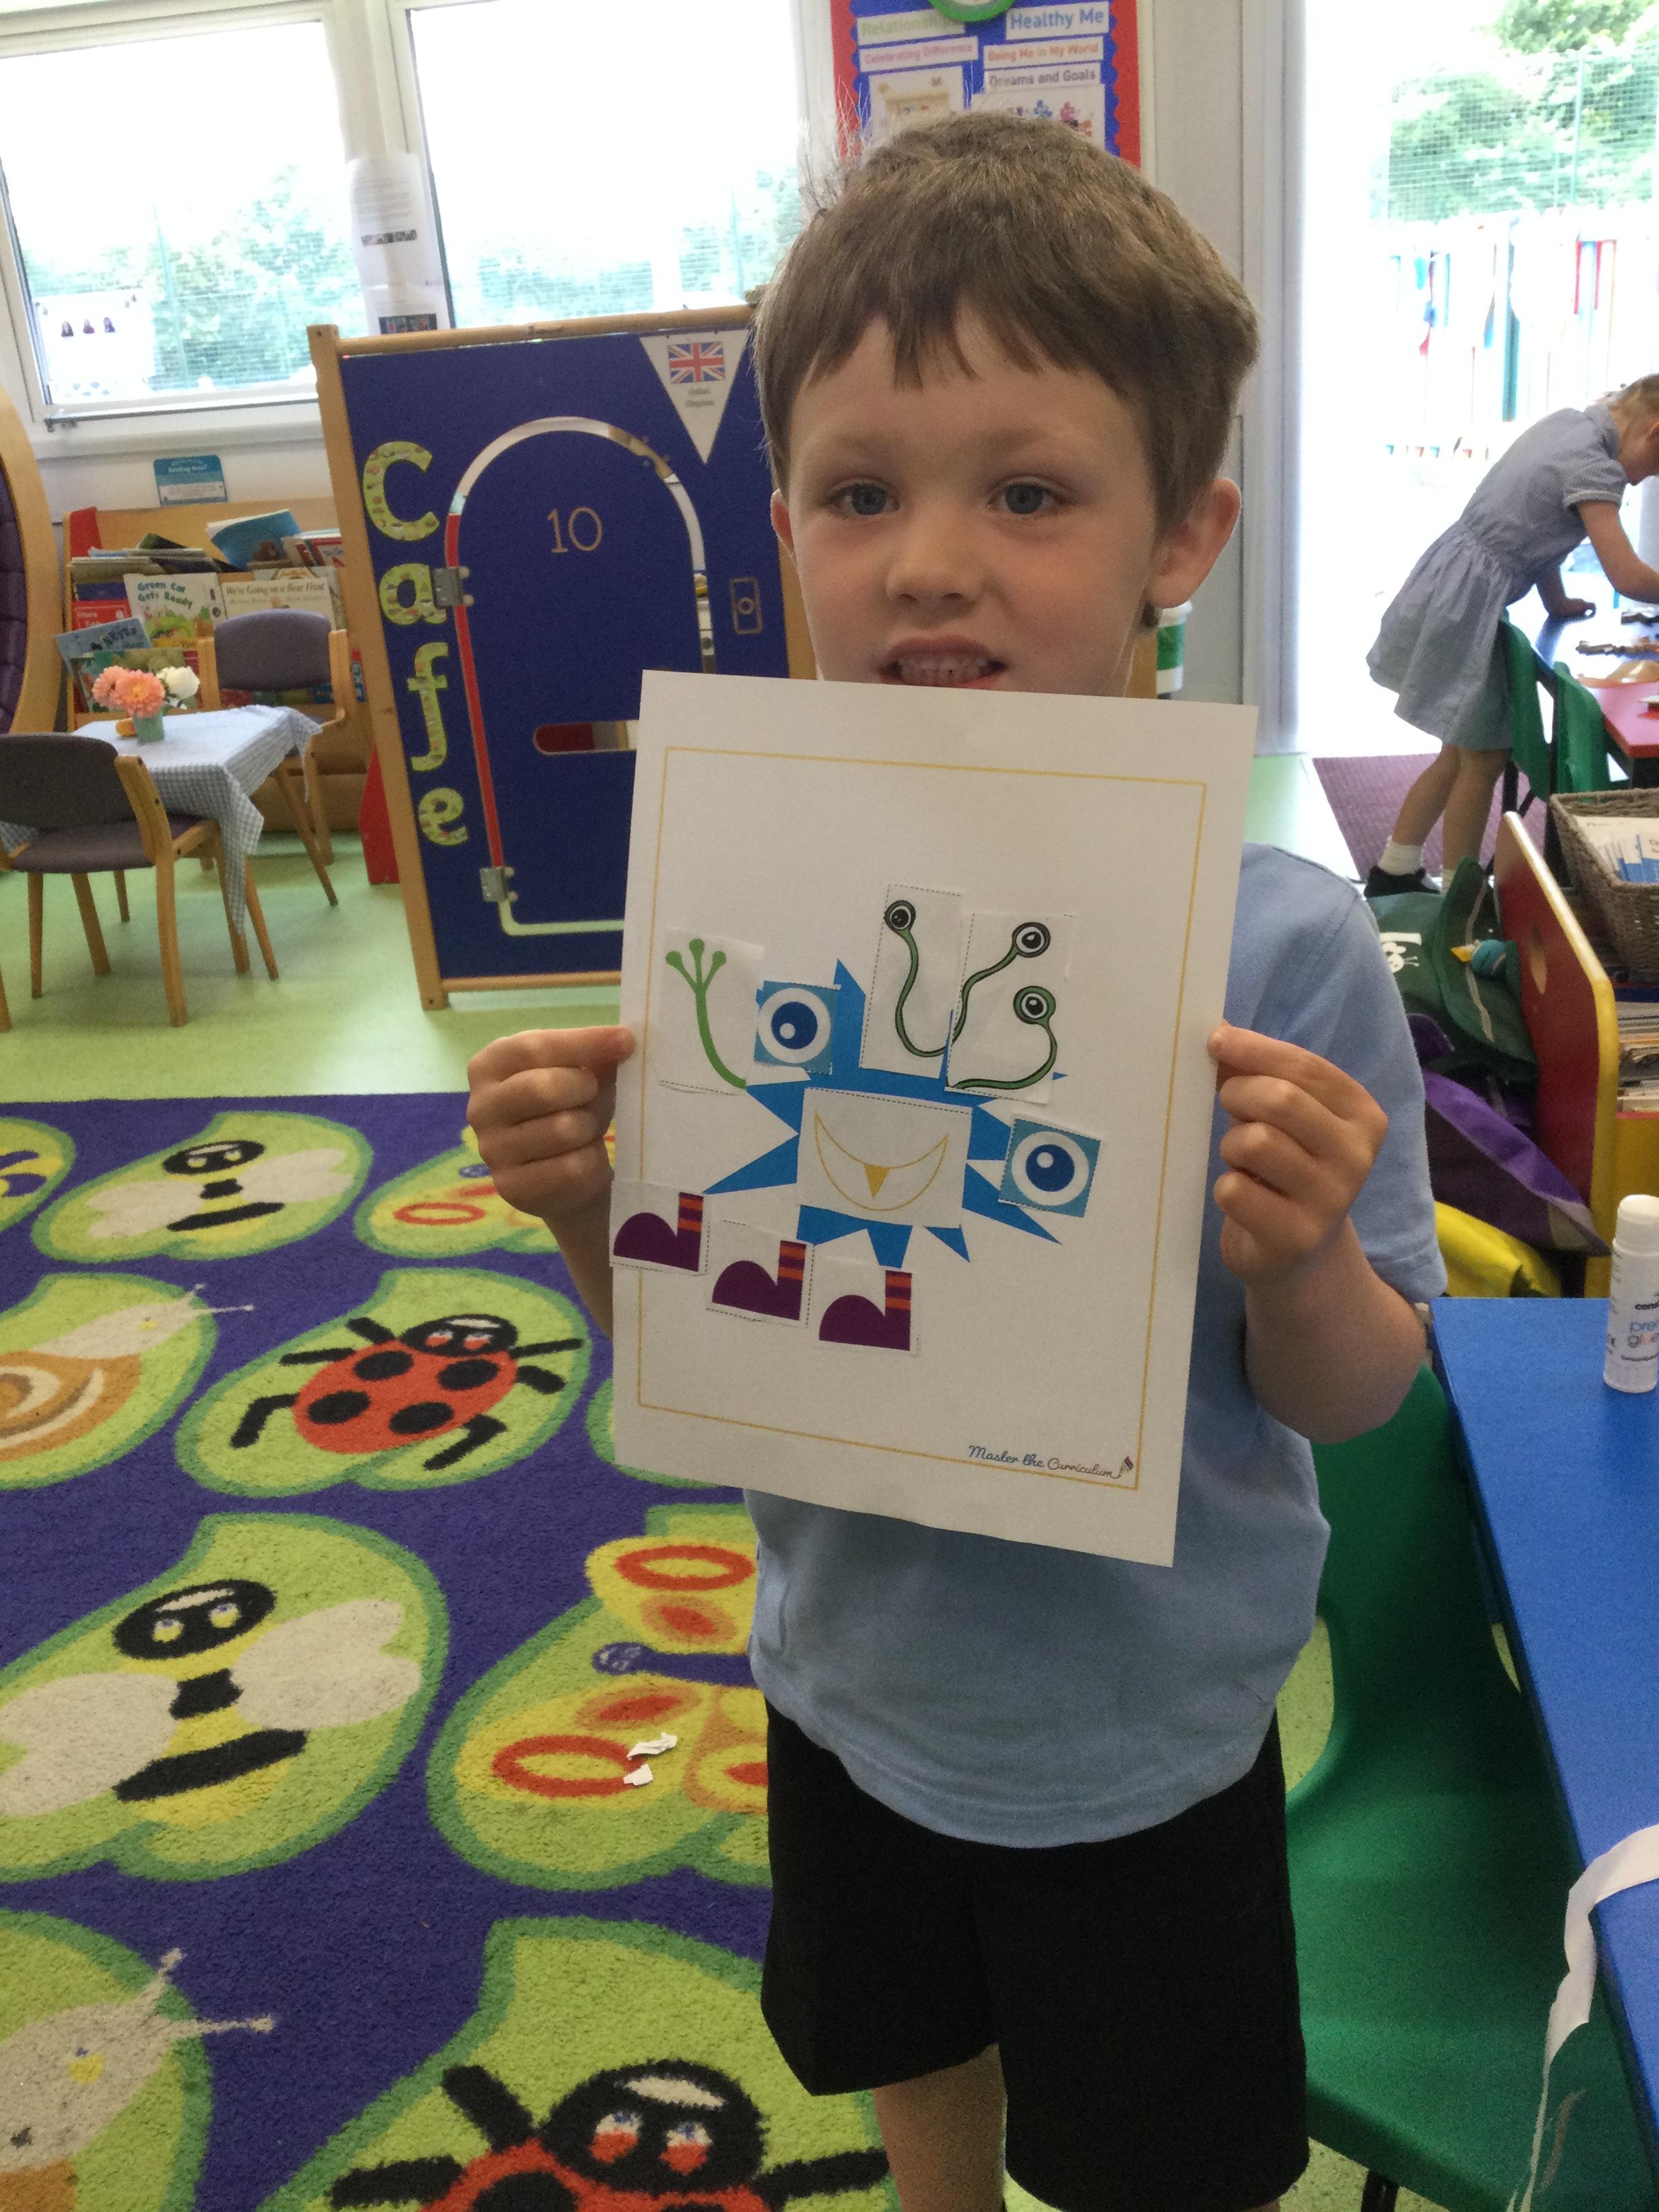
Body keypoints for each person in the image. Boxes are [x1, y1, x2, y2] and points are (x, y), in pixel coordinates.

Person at [467, 114, 1443, 2212]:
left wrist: (1297, 1263)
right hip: (846, 1680)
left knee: (1157, 2152)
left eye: (1027, 491)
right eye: (860, 493)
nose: (927, 561)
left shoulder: (1278, 943)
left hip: (1145, 1729)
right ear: (785, 523)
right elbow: (698, 1346)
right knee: (908, 2046)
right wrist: (581, 1204)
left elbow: (1360, 1394)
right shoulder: (739, 899)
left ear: (1184, 533)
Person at [1364, 375, 1659, 895]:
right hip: (1468, 606)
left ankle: (1395, 870)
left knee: (1457, 754)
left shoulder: (1567, 425)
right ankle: (1462, 895)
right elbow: (1627, 576)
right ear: (1653, 433)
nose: (1641, 482)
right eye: (1654, 467)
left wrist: (1555, 600)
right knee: (1482, 759)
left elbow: (1537, 528)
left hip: (1450, 585)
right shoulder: (1596, 467)